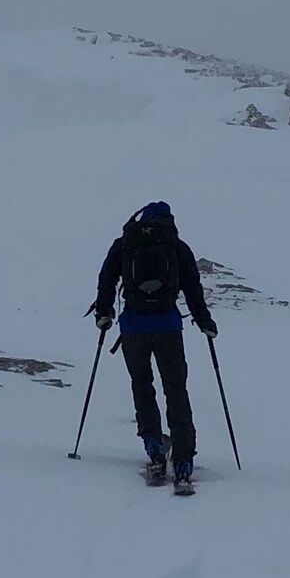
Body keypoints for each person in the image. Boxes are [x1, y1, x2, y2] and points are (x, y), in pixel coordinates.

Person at [93, 201, 216, 487]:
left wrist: (104, 313)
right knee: (175, 388)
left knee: (142, 385)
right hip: (168, 328)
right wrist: (204, 321)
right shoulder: (176, 246)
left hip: (133, 329)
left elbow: (106, 279)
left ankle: (154, 446)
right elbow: (193, 289)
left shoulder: (124, 244)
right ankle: (183, 458)